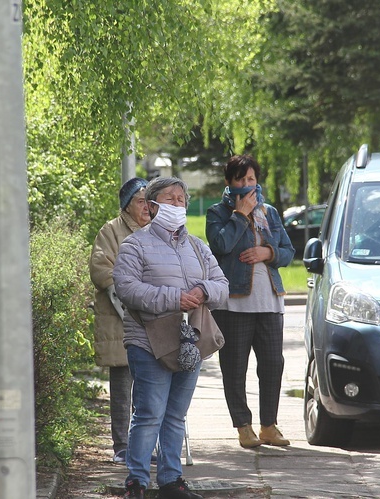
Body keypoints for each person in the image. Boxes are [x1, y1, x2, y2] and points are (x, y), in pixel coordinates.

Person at [113, 176, 229, 499]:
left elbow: (222, 286)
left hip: (188, 341)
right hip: (147, 341)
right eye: (170, 198)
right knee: (149, 412)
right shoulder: (135, 244)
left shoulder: (197, 247)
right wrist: (173, 298)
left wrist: (203, 290)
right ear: (152, 206)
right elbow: (127, 288)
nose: (178, 204)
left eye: (182, 199)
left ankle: (170, 480)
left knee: (176, 414)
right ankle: (136, 481)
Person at [205, 154, 295, 449]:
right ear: (229, 183)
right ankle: (243, 426)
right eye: (240, 179)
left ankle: (269, 425)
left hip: (269, 300)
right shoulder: (217, 213)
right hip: (233, 302)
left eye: (251, 179)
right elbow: (221, 245)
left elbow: (288, 251)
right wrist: (240, 215)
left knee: (272, 364)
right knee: (234, 366)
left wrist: (268, 253)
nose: (246, 185)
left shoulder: (269, 212)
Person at [89, 177, 150, 465]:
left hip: (153, 321)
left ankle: (145, 446)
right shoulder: (110, 231)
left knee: (149, 388)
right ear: (127, 206)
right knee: (123, 388)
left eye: (149, 200)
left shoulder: (158, 231)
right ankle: (122, 446)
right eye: (141, 201)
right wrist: (135, 289)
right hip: (121, 321)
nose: (147, 206)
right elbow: (101, 269)